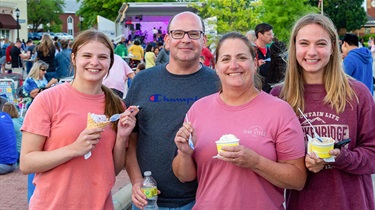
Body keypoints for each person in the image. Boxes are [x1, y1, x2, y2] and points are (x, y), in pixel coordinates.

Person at [172, 32, 306, 209]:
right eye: (226, 59)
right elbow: (184, 176)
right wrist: (184, 153)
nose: (233, 65)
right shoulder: (198, 109)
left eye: (241, 57)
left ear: (255, 63)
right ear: (216, 67)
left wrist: (256, 162)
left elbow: (297, 179)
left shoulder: (279, 111)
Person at [20, 30, 140, 209]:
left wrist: (122, 138)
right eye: (87, 55)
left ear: (110, 62)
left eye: (102, 57)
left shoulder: (117, 107)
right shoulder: (48, 99)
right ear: (74, 59)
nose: (95, 62)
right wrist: (73, 149)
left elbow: (111, 170)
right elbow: (26, 163)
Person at [270, 14, 375, 210]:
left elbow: (372, 154)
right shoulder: (278, 96)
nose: (311, 52)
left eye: (320, 44)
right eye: (304, 43)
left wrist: (339, 157)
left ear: (333, 48)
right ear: (294, 48)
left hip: (352, 203)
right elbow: (273, 159)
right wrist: (302, 162)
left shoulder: (358, 94)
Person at [125, 11, 220, 209]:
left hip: (202, 199)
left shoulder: (218, 83)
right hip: (149, 199)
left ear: (204, 40)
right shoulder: (142, 81)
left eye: (193, 34)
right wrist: (135, 181)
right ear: (167, 40)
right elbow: (130, 141)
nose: (186, 40)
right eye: (178, 33)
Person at [254, 23, 274, 88]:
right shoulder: (251, 50)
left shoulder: (270, 50)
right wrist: (256, 66)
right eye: (268, 34)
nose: (272, 37)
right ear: (260, 35)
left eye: (272, 34)